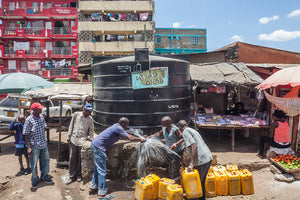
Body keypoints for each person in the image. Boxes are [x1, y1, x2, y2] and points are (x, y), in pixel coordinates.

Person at [89, 117, 144, 199]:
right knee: (102, 171)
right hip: (99, 148)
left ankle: (93, 187)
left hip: (95, 145)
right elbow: (129, 137)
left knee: (98, 169)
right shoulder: (118, 128)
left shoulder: (116, 126)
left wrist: (139, 136)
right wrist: (140, 139)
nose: (127, 127)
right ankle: (102, 194)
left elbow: (127, 134)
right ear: (123, 124)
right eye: (127, 125)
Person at [177, 120, 213, 200]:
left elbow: (194, 146)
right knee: (201, 182)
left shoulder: (185, 131)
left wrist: (191, 164)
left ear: (180, 127)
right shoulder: (192, 130)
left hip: (201, 160)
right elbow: (187, 141)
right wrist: (177, 144)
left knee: (196, 184)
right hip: (207, 158)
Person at [23, 102, 53, 189]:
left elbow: (44, 128)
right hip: (34, 145)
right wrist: (28, 147)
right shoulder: (29, 120)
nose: (41, 109)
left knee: (46, 160)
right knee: (34, 163)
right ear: (34, 110)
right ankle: (35, 180)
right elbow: (26, 134)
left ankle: (44, 176)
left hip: (43, 143)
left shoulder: (41, 117)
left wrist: (46, 140)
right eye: (39, 108)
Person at [146, 116, 184, 181]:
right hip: (169, 151)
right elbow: (158, 133)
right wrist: (149, 136)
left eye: (162, 122)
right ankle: (172, 179)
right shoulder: (164, 128)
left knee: (175, 166)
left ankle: (176, 181)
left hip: (177, 151)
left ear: (168, 123)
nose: (161, 123)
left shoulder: (175, 129)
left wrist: (176, 144)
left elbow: (183, 138)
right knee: (170, 165)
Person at [65, 103, 94, 184]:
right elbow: (71, 125)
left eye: (91, 112)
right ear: (85, 110)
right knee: (72, 158)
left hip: (82, 141)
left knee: (80, 159)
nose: (90, 113)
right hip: (73, 139)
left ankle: (79, 175)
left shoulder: (90, 119)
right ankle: (71, 176)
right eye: (89, 111)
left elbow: (91, 130)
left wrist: (91, 139)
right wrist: (68, 136)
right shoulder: (76, 115)